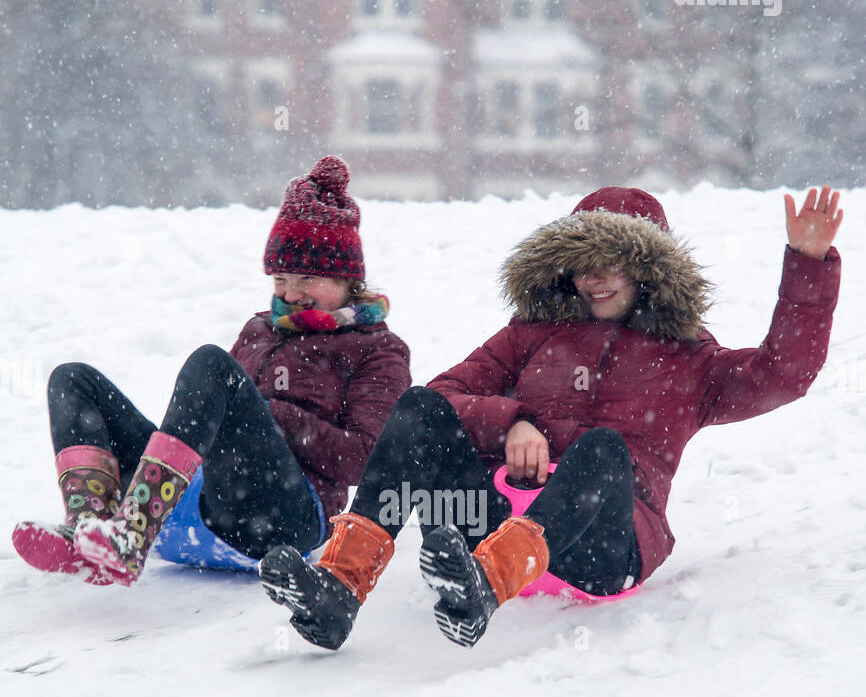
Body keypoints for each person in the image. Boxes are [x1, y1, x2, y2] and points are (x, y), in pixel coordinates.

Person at [259, 184, 842, 649]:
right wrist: (511, 420)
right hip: (490, 522)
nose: (594, 277)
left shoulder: (691, 358)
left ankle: (484, 591)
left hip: (602, 550)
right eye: (582, 261)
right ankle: (340, 587)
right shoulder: (532, 334)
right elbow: (443, 393)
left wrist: (808, 263)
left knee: (603, 449)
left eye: (612, 261)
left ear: (650, 269)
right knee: (419, 409)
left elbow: (782, 375)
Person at [12, 156, 411, 585]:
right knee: (73, 379)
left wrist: (272, 416)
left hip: (283, 518)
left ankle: (132, 534)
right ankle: (92, 529)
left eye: (306, 278)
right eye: (280, 279)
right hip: (202, 501)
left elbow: (367, 460)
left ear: (347, 279)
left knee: (211, 364)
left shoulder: (379, 350)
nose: (291, 294)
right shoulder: (260, 328)